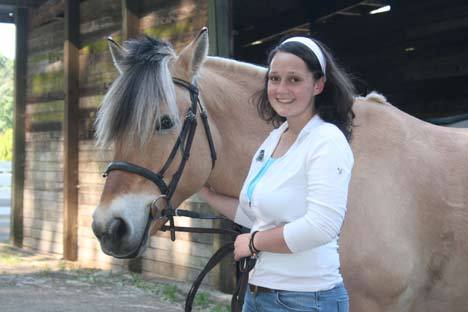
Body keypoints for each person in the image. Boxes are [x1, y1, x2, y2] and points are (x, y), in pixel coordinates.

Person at [199, 36, 355, 312]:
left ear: (318, 85)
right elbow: (257, 214)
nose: (281, 89)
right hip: (259, 294)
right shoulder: (275, 137)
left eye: (294, 79)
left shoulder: (326, 141)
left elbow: (322, 226)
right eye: (274, 78)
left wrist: (254, 243)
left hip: (306, 300)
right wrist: (206, 192)